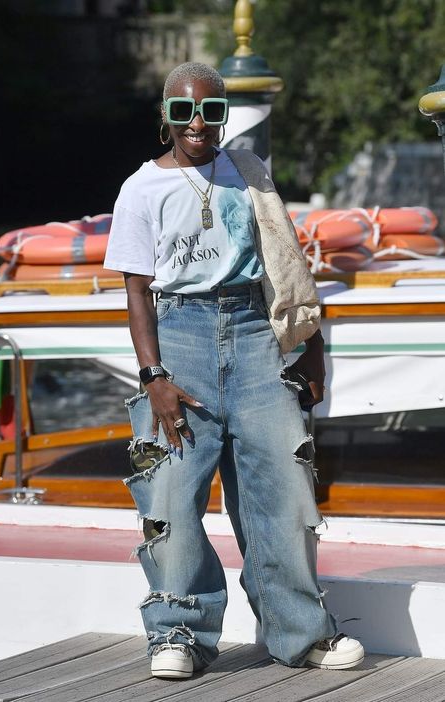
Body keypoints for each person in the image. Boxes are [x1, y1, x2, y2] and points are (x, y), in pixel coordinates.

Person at [104, 62, 364, 679]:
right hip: (178, 336)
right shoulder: (140, 189)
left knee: (282, 479)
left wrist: (310, 343)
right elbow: (139, 294)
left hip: (253, 332)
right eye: (182, 112)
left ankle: (300, 632)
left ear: (223, 115)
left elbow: (283, 261)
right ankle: (177, 632)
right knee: (171, 488)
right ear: (164, 118)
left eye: (212, 111)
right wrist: (153, 376)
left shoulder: (247, 172)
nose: (198, 123)